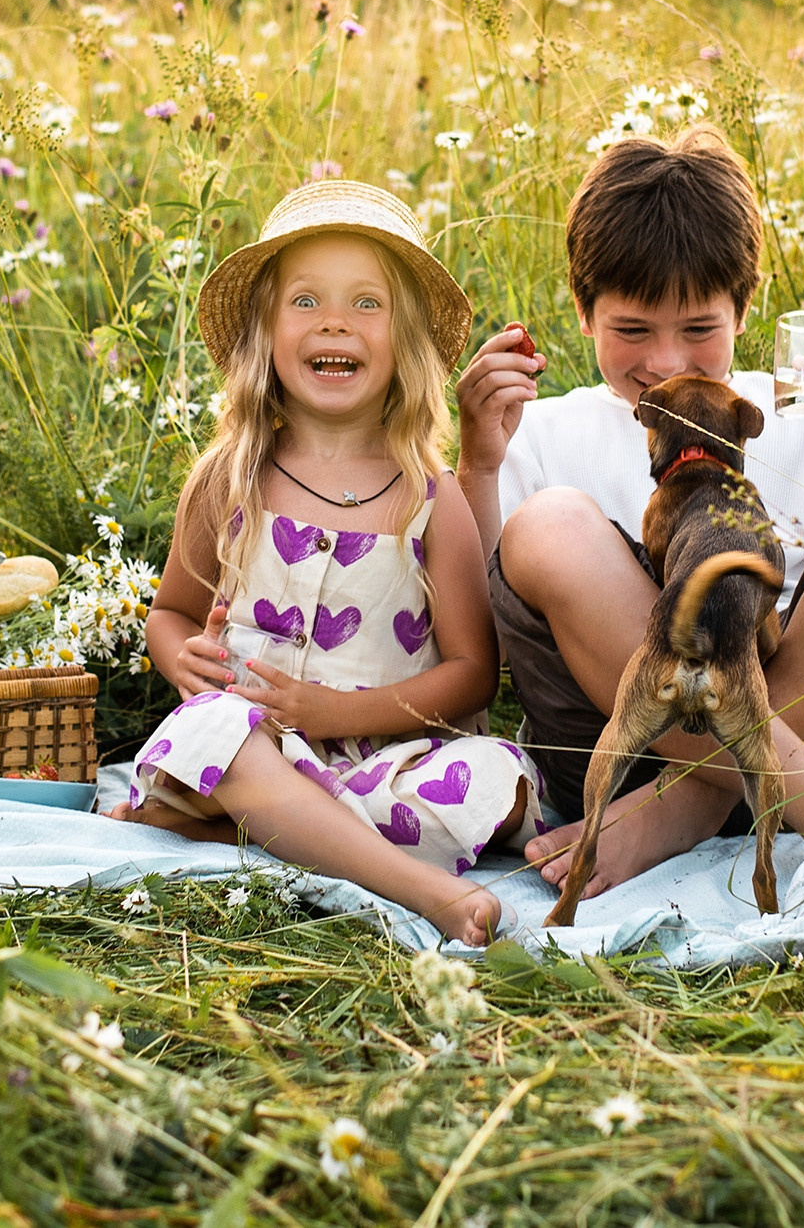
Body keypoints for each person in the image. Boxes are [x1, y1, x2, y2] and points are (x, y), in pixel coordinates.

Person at [455, 124, 804, 905]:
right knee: (549, 524)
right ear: (583, 311)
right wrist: (479, 464)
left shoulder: (800, 412)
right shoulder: (541, 431)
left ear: (743, 309)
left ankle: (695, 799)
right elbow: (475, 629)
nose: (667, 361)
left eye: (699, 329)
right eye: (633, 330)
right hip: (625, 746)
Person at [110, 181, 541, 945]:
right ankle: (422, 889)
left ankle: (250, 832)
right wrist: (182, 660)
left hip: (384, 766)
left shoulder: (428, 498)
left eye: (366, 303)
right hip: (254, 746)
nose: (334, 320)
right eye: (305, 300)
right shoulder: (230, 478)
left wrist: (334, 714)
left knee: (497, 779)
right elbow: (170, 611)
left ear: (405, 341)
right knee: (215, 732)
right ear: (266, 334)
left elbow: (474, 673)